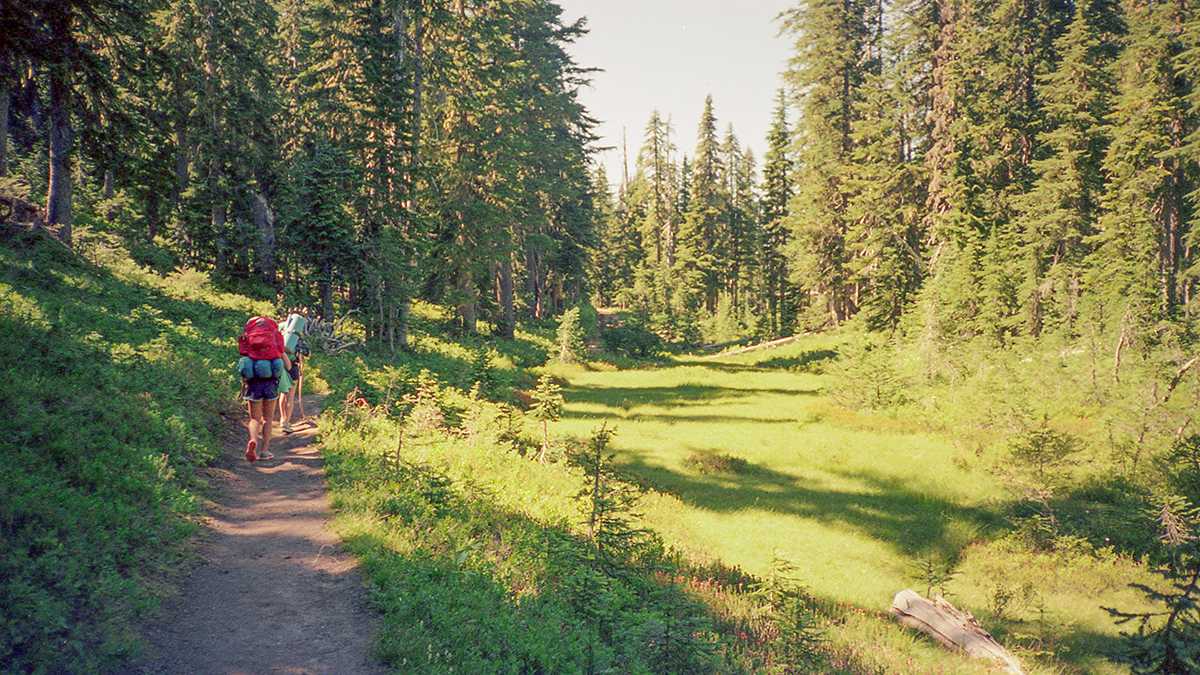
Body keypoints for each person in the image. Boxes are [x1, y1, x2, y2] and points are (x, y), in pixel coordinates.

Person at [239, 315, 290, 462]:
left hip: (253, 383)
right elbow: (287, 366)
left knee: (255, 419)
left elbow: (244, 363)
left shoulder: (249, 338)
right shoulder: (275, 341)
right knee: (268, 419)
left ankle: (253, 440)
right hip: (270, 384)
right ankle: (265, 451)